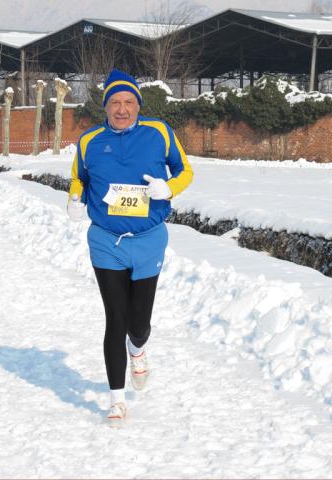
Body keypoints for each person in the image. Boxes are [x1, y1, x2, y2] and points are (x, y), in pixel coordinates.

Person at [67, 68, 193, 427]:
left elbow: (185, 171)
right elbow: (80, 178)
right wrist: (74, 197)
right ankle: (116, 399)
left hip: (149, 238)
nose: (121, 109)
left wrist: (170, 189)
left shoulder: (160, 133)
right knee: (115, 318)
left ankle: (137, 349)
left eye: (128, 102)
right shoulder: (89, 141)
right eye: (115, 103)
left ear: (138, 105)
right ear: (105, 107)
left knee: (139, 323)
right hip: (106, 240)